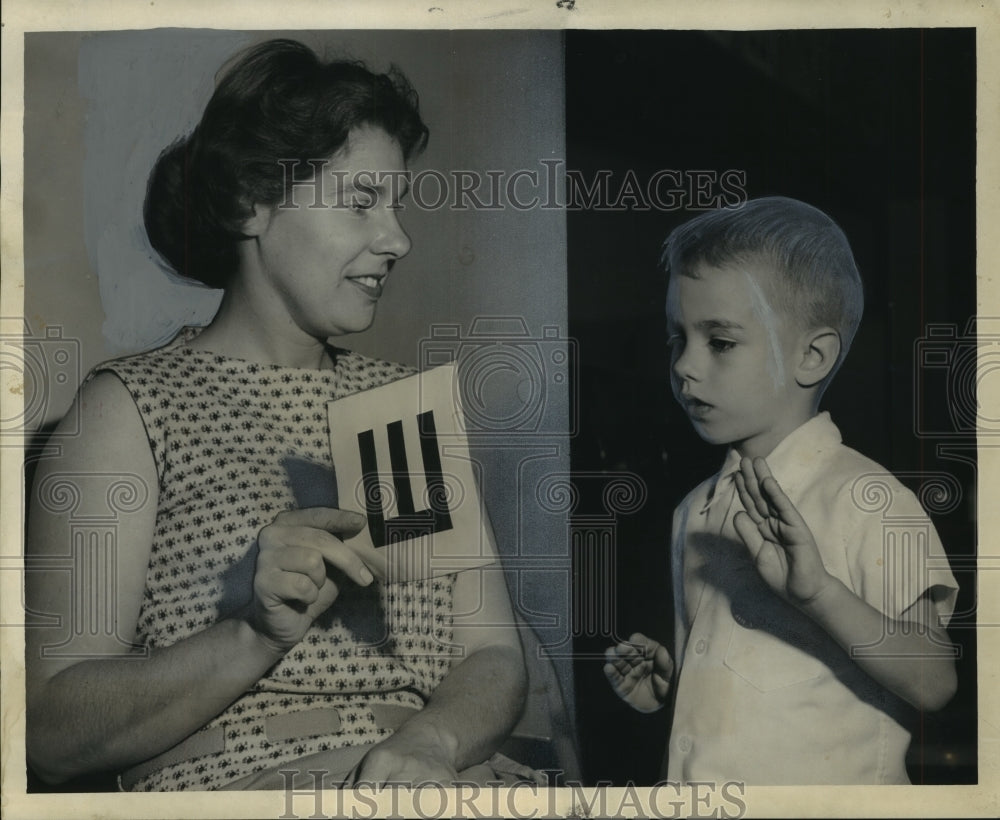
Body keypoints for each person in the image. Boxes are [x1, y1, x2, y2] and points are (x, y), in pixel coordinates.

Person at [25, 38, 530, 792]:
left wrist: (428, 740)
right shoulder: (131, 408)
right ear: (251, 202)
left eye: (395, 206)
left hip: (435, 784)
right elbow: (51, 731)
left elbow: (492, 657)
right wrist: (254, 633)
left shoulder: (397, 409)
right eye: (361, 202)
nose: (396, 239)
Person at [604, 197, 960, 784]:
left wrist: (819, 593)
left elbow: (937, 681)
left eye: (719, 341)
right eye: (677, 339)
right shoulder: (693, 510)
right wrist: (672, 686)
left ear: (812, 355)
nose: (685, 366)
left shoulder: (869, 497)